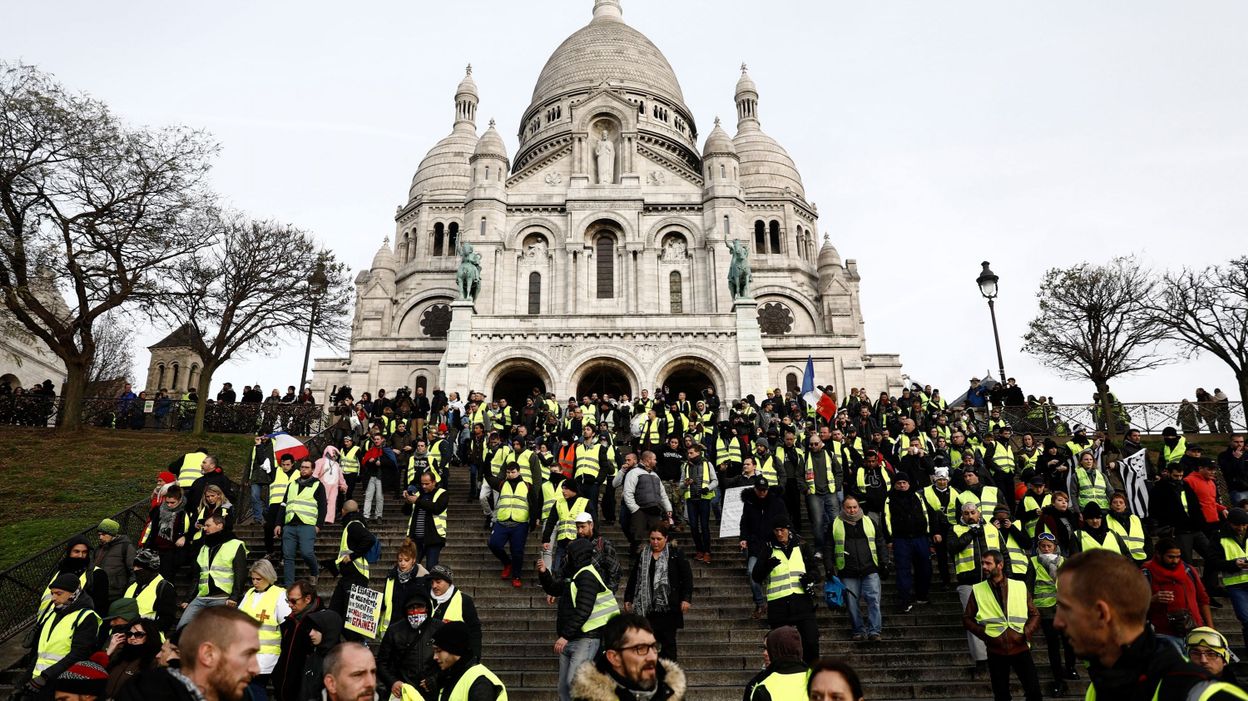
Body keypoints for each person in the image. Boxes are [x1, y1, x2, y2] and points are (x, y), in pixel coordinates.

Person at [1053, 549, 1248, 700]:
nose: (1057, 622)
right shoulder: (1099, 687)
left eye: (1065, 608)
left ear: (1102, 613)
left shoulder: (1208, 695)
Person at [115, 606, 259, 701]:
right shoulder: (146, 691)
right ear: (208, 654)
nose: (256, 669)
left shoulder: (242, 695)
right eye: (247, 654)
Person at [538, 538, 620, 701]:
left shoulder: (587, 576)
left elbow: (584, 610)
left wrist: (565, 636)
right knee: (563, 688)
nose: (565, 557)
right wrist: (544, 573)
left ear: (577, 555)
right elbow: (554, 588)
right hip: (570, 638)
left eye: (569, 554)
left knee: (575, 684)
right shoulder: (574, 574)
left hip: (586, 638)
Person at [962, 550, 1042, 701]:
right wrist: (985, 634)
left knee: (1034, 693)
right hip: (995, 649)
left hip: (1020, 646)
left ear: (1000, 565)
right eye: (982, 563)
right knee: (1001, 695)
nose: (984, 566)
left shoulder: (1019, 586)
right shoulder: (978, 589)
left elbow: (1035, 614)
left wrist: (1026, 632)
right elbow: (967, 619)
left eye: (988, 563)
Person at [752, 514, 820, 664]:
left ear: (788, 530)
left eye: (781, 530)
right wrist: (767, 566)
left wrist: (811, 578)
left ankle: (812, 676)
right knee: (779, 648)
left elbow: (816, 571)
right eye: (776, 530)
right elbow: (756, 576)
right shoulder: (768, 548)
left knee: (811, 642)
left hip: (802, 602)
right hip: (779, 605)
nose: (779, 533)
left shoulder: (801, 545)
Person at [570, 613, 686, 701]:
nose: (652, 657)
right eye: (640, 648)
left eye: (654, 646)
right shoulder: (590, 697)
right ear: (614, 657)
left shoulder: (672, 692)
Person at [23, 573, 101, 700]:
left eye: (59, 594)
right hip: (39, 682)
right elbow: (38, 654)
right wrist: (22, 683)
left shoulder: (86, 617)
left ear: (74, 593)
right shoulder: (51, 615)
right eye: (52, 593)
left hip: (63, 684)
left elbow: (79, 654)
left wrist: (45, 676)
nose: (53, 598)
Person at [624, 525, 692, 661]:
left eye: (659, 539)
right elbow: (634, 578)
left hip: (668, 607)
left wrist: (686, 598)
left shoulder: (675, 554)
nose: (655, 542)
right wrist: (628, 598)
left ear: (666, 538)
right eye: (652, 539)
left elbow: (687, 578)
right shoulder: (644, 554)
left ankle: (669, 674)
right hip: (647, 608)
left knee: (668, 643)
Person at [273, 579, 343, 701]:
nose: (290, 605)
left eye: (294, 601)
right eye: (288, 601)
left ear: (308, 599)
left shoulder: (320, 623)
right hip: (284, 691)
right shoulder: (290, 621)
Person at [830, 496, 885, 643]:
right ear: (843, 508)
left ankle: (874, 631)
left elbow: (880, 542)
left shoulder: (869, 521)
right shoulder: (834, 524)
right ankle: (858, 630)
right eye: (849, 507)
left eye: (854, 507)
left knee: (874, 600)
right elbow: (829, 547)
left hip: (869, 568)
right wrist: (829, 567)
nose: (852, 510)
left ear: (859, 507)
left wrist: (884, 562)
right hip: (847, 570)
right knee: (852, 603)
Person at [952, 500, 999, 671]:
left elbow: (1003, 553)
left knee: (994, 619)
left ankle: (997, 654)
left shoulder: (991, 528)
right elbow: (953, 547)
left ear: (979, 513)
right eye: (966, 513)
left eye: (973, 513)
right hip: (967, 581)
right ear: (962, 515)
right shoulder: (955, 529)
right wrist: (971, 533)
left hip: (991, 580)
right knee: (972, 620)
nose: (970, 516)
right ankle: (981, 659)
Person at [178, 514, 248, 628]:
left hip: (221, 597)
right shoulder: (204, 547)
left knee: (214, 632)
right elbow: (198, 576)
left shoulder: (236, 544)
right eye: (204, 526)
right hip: (201, 597)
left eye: (208, 525)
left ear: (220, 526)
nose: (204, 528)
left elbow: (240, 573)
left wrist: (234, 597)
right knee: (182, 629)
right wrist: (188, 599)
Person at [1029, 533, 1077, 696]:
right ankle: (1058, 679)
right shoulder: (1033, 562)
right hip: (1045, 609)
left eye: (1049, 545)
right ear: (1038, 547)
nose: (1046, 548)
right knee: (1053, 645)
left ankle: (1070, 667)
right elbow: (1029, 585)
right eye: (1043, 545)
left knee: (1068, 641)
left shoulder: (1064, 561)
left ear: (1055, 546)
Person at [238, 558, 289, 701]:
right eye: (253, 578)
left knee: (255, 687)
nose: (255, 582)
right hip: (248, 654)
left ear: (268, 577)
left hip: (267, 655)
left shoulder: (279, 594)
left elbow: (287, 626)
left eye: (258, 579)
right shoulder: (249, 594)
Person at [1142, 538, 1213, 640]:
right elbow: (1134, 605)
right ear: (1158, 554)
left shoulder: (1189, 571)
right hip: (1163, 635)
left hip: (1194, 631)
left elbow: (1203, 599)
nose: (1175, 561)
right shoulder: (1146, 573)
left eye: (1178, 557)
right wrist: (1152, 599)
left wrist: (1211, 628)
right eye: (1170, 557)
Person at [377, 591, 438, 701]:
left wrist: (436, 679)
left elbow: (450, 661)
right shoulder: (394, 631)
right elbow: (381, 662)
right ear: (406, 611)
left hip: (432, 692)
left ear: (427, 608)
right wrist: (393, 682)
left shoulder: (438, 628)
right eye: (411, 608)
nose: (415, 612)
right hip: (403, 693)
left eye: (419, 607)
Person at [740, 476, 787, 619]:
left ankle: (778, 606)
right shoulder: (749, 502)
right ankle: (760, 603)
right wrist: (743, 538)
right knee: (751, 573)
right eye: (760, 490)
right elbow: (744, 522)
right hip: (755, 545)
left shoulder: (777, 502)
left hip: (773, 544)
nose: (762, 492)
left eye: (764, 490)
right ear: (755, 489)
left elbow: (784, 520)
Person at [883, 472, 932, 612]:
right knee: (903, 570)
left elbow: (927, 513)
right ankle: (904, 600)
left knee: (925, 568)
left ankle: (922, 595)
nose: (902, 485)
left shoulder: (918, 496)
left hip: (920, 537)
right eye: (899, 483)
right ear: (895, 485)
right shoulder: (889, 499)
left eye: (904, 482)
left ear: (909, 484)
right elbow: (885, 519)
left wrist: (929, 533)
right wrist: (889, 539)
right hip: (901, 539)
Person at [276, 459, 326, 587]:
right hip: (290, 525)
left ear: (313, 470)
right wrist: (278, 523)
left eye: (307, 467)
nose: (303, 469)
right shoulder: (292, 484)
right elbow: (283, 505)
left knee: (307, 552)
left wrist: (319, 525)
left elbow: (322, 507)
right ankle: (289, 586)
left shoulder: (318, 485)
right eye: (302, 467)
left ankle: (314, 572)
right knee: (288, 557)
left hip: (307, 525)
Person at [430, 622, 507, 700]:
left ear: (454, 649)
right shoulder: (451, 675)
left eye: (439, 651)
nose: (435, 657)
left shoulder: (480, 682)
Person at [38, 536, 109, 620]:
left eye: (84, 552)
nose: (80, 555)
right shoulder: (58, 571)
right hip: (46, 621)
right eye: (76, 551)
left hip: (77, 625)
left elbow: (100, 607)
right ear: (69, 552)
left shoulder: (97, 574)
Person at [487, 462, 531, 588]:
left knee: (517, 551)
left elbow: (534, 501)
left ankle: (516, 576)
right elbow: (488, 476)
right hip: (502, 521)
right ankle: (507, 563)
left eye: (513, 472)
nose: (510, 475)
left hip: (520, 523)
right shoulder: (502, 484)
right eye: (508, 472)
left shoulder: (527, 485)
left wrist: (534, 519)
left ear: (519, 472)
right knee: (493, 544)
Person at [327, 500, 374, 618]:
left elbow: (369, 539)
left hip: (355, 575)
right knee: (336, 610)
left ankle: (353, 636)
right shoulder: (354, 524)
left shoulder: (353, 525)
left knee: (351, 616)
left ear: (343, 511)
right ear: (358, 511)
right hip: (351, 575)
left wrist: (352, 556)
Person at [376, 539, 429, 639]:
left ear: (413, 560)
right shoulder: (391, 577)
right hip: (391, 626)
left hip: (412, 628)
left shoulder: (422, 578)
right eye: (400, 560)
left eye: (406, 560)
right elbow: (384, 602)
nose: (402, 563)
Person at [428, 565, 483, 662]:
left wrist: (475, 656)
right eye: (432, 582)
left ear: (448, 582)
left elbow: (474, 630)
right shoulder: (424, 598)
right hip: (428, 658)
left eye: (438, 582)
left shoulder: (464, 600)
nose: (434, 586)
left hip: (452, 660)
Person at [623, 451, 674, 551]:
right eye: (654, 459)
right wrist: (635, 509)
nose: (656, 461)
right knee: (637, 537)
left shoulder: (655, 475)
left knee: (658, 535)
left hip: (654, 510)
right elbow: (628, 492)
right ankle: (635, 561)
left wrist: (668, 508)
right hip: (640, 510)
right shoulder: (634, 473)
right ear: (648, 460)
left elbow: (663, 494)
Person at [1213, 507, 1248, 652]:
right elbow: (1213, 561)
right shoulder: (1219, 536)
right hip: (1236, 585)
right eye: (1237, 525)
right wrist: (1233, 564)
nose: (1240, 528)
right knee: (1246, 620)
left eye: (1244, 525)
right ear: (1229, 523)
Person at [743, 626, 808, 701]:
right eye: (764, 648)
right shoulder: (818, 680)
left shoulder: (763, 688)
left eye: (769, 649)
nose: (765, 653)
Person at [103, 618, 160, 699]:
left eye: (139, 634)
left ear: (150, 636)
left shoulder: (154, 661)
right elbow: (98, 675)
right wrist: (109, 651)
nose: (132, 637)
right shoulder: (119, 653)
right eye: (129, 634)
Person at [123, 549, 178, 633]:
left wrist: (147, 630)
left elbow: (167, 619)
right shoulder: (132, 586)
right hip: (128, 635)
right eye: (134, 566)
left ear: (151, 569)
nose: (135, 569)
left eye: (139, 567)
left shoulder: (165, 588)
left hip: (150, 638)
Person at [404, 471, 449, 568]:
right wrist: (407, 501)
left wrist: (417, 501)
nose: (424, 486)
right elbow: (405, 512)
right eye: (422, 483)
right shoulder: (418, 494)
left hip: (434, 538)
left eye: (427, 484)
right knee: (412, 567)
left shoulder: (442, 493)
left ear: (434, 482)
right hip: (416, 538)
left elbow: (436, 508)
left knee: (431, 567)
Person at [681, 443, 717, 563]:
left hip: (704, 499)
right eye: (688, 453)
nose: (689, 455)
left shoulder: (707, 464)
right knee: (693, 526)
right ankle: (699, 550)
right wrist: (685, 484)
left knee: (705, 526)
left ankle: (707, 551)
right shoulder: (685, 466)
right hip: (691, 499)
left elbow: (715, 480)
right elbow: (681, 484)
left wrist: (708, 488)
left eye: (691, 453)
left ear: (698, 452)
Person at [94, 519, 135, 606]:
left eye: (104, 534)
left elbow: (134, 572)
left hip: (116, 596)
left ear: (113, 534)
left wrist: (126, 592)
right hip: (97, 594)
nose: (100, 537)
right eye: (99, 534)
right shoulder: (99, 548)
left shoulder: (126, 547)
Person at [264, 455, 298, 556]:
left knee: (286, 530)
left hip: (290, 505)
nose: (285, 467)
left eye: (287, 464)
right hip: (275, 503)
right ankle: (270, 551)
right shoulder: (276, 471)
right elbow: (263, 461)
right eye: (283, 464)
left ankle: (284, 555)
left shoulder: (298, 474)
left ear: (292, 464)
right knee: (268, 527)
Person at [246, 433, 277, 525]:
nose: (264, 437)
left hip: (270, 475)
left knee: (269, 499)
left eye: (266, 435)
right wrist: (247, 478)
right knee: (254, 496)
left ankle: (267, 516)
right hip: (256, 475)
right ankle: (257, 518)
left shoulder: (275, 445)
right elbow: (250, 462)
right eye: (262, 435)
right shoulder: (255, 446)